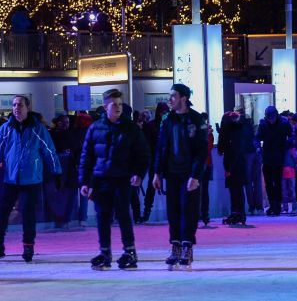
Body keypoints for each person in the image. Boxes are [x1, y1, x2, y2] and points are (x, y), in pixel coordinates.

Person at [0, 94, 63, 263]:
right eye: (14, 105)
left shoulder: (37, 128)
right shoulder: (5, 129)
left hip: (31, 179)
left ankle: (28, 246)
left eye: (20, 105)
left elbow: (49, 152)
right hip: (11, 179)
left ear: (27, 108)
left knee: (28, 214)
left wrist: (57, 172)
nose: (16, 108)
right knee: (3, 213)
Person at [78, 89, 150, 270]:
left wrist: (138, 173)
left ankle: (130, 251)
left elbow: (143, 153)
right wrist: (84, 182)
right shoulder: (95, 128)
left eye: (119, 103)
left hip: (123, 179)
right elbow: (87, 157)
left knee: (124, 215)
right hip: (101, 180)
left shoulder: (131, 127)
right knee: (103, 217)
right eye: (114, 104)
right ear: (105, 107)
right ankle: (105, 252)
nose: (118, 107)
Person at [152, 83, 208, 271]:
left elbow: (202, 151)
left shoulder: (196, 119)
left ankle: (187, 246)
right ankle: (175, 245)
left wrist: (196, 175)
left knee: (189, 211)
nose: (170, 100)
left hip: (189, 173)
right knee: (173, 211)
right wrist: (157, 173)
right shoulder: (168, 119)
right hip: (172, 173)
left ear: (184, 98)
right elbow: (160, 147)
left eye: (173, 96)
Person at [256, 105, 292, 216]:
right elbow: (257, 138)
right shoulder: (263, 125)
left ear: (276, 115)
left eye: (272, 117)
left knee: (277, 183)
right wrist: (258, 148)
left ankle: (276, 205)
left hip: (279, 157)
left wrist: (287, 145)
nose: (271, 120)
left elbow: (291, 136)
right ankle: (273, 204)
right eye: (269, 118)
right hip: (267, 157)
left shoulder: (284, 124)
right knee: (268, 183)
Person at [217, 109, 248, 225]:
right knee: (238, 190)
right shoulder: (238, 130)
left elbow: (232, 151)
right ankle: (240, 213)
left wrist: (229, 169)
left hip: (233, 165)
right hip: (239, 164)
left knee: (234, 190)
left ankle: (236, 212)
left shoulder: (229, 132)